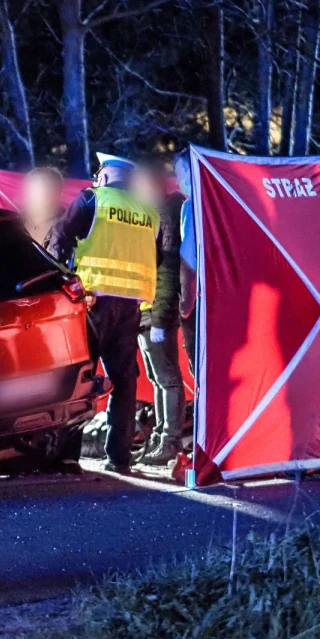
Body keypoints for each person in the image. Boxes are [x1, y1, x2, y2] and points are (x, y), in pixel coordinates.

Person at [49, 152, 159, 474]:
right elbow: (157, 259)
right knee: (125, 382)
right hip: (130, 309)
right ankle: (119, 458)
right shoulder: (149, 213)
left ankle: (68, 456)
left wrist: (59, 277)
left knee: (80, 378)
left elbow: (60, 236)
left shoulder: (91, 199)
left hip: (90, 302)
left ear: (106, 176)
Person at [131, 164, 185, 466]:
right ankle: (160, 438)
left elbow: (167, 270)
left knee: (167, 378)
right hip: (146, 310)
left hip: (155, 311)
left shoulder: (164, 214)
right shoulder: (150, 216)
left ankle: (169, 441)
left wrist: (161, 317)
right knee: (157, 378)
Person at [174, 149, 198, 375]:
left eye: (179, 173)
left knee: (200, 366)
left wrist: (185, 306)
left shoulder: (191, 206)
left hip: (200, 302)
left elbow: (189, 258)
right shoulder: (220, 201)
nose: (177, 180)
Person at [19, 166, 66, 248]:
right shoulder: (15, 222)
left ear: (57, 193)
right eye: (32, 189)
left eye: (41, 188)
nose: (34, 195)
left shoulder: (68, 228)